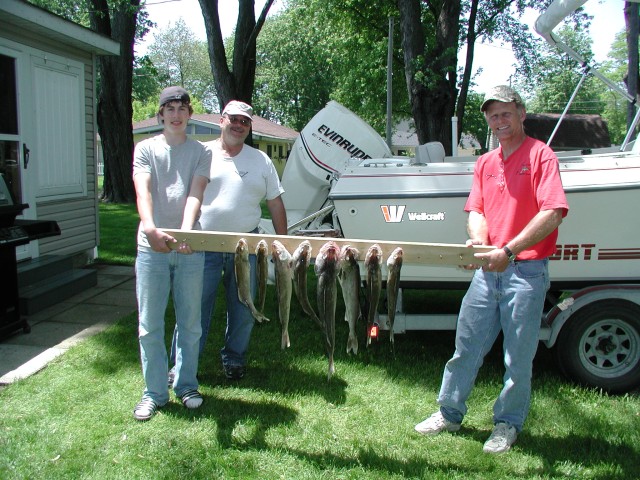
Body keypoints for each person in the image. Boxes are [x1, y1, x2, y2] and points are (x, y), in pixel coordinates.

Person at [414, 85, 568, 453]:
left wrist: (509, 250)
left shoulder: (541, 156)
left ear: (521, 113)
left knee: (518, 358)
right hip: (487, 273)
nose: (499, 121)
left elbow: (553, 212)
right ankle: (449, 413)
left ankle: (507, 424)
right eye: (493, 115)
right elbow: (477, 210)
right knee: (465, 348)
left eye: (505, 113)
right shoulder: (485, 162)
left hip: (526, 273)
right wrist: (481, 244)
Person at [169, 100, 287, 382]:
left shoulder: (261, 161)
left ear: (249, 127)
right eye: (233, 119)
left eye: (244, 121)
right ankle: (182, 365)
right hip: (203, 246)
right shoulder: (201, 153)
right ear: (221, 120)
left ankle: (234, 358)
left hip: (246, 248)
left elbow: (275, 203)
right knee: (194, 308)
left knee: (244, 308)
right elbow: (184, 196)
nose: (238, 125)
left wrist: (285, 244)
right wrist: (184, 234)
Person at [132, 86, 211, 421]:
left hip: (189, 246)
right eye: (170, 108)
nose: (176, 114)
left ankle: (186, 384)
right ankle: (154, 393)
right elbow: (143, 189)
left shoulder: (202, 152)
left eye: (182, 108)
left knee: (190, 323)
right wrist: (150, 228)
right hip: (151, 248)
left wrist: (184, 232)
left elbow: (196, 192)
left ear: (189, 114)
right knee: (150, 324)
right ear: (160, 114)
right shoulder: (144, 148)